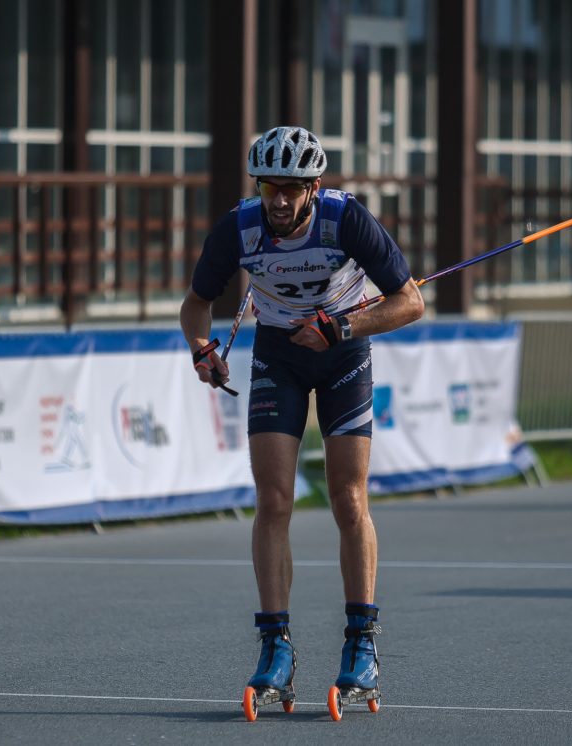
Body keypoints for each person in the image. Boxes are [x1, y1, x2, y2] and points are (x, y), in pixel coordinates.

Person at [179, 126, 424, 717]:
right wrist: (201, 348)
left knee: (348, 498)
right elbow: (196, 304)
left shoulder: (346, 220)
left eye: (292, 189)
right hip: (279, 355)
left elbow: (410, 301)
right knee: (273, 501)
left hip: (342, 352)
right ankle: (276, 650)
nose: (280, 200)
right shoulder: (239, 228)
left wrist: (341, 327)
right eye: (271, 188)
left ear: (314, 188)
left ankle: (362, 645)